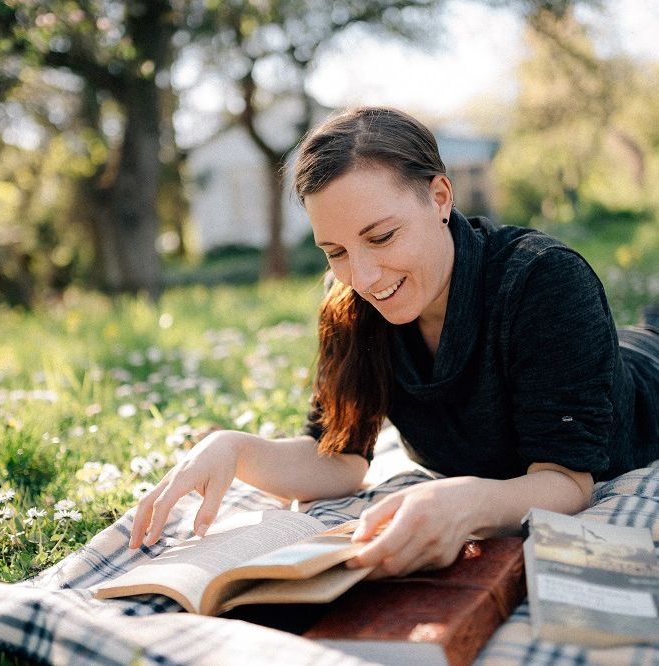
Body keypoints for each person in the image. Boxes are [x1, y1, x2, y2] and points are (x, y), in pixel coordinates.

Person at [129, 107, 659, 577]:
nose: (361, 274)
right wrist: (234, 448)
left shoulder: (545, 279)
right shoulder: (349, 300)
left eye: (381, 237)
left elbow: (568, 482)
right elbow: (337, 459)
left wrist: (469, 504)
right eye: (334, 250)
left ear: (439, 198)